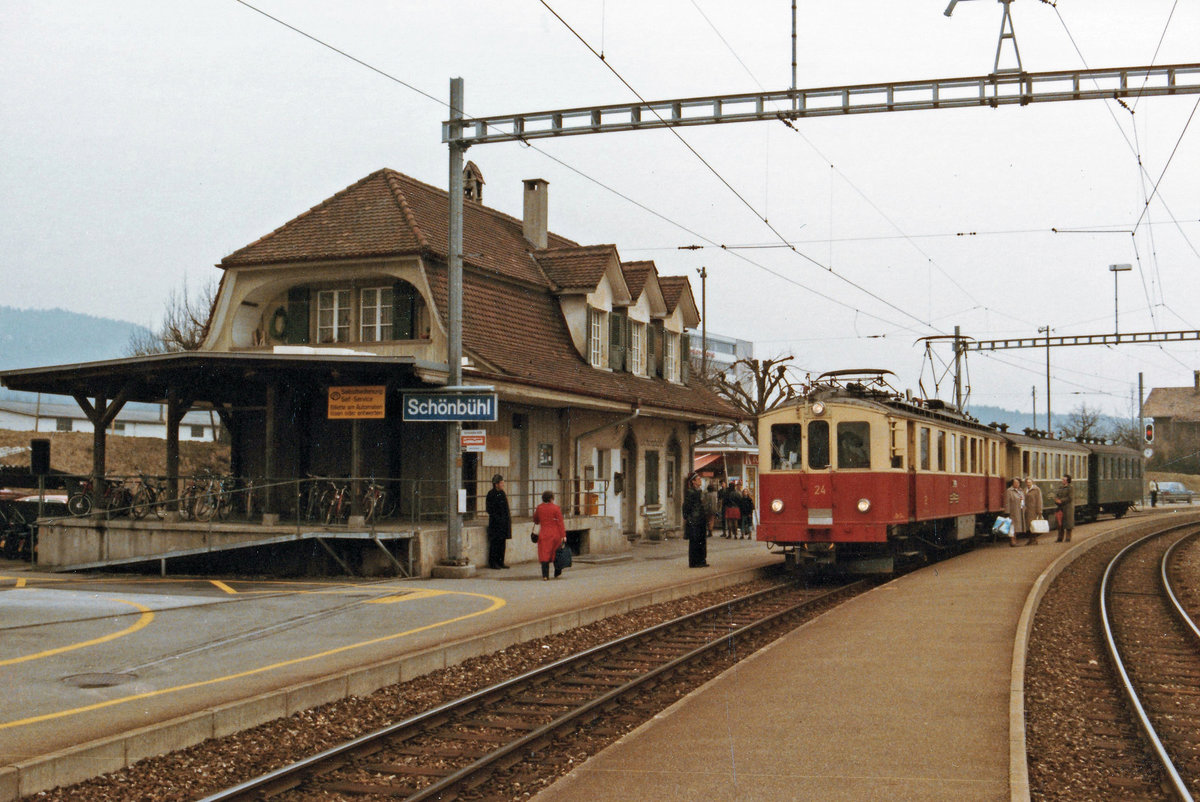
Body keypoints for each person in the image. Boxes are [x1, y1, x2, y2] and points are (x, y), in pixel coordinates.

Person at [533, 490, 567, 579]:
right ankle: (557, 572)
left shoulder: (539, 508)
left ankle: (545, 575)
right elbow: (560, 522)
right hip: (555, 534)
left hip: (544, 533)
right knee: (556, 553)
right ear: (552, 498)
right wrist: (563, 535)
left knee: (544, 554)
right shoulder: (556, 508)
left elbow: (536, 520)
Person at [485, 474, 512, 569]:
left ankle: (501, 561)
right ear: (496, 484)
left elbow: (506, 508)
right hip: (495, 523)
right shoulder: (491, 494)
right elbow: (489, 509)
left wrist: (507, 520)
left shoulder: (502, 493)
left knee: (502, 543)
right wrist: (498, 518)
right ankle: (493, 562)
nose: (503, 484)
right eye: (501, 483)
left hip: (503, 523)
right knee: (495, 543)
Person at [683, 472, 708, 567]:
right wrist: (688, 517)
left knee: (702, 540)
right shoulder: (691, 492)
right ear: (693, 482)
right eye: (698, 479)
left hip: (701, 518)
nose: (700, 481)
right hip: (694, 519)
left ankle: (701, 560)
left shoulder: (699, 491)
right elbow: (686, 506)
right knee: (695, 541)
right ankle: (694, 562)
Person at [1003, 477, 1025, 548]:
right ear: (1012, 484)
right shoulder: (1009, 491)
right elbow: (1007, 502)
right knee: (1012, 527)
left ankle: (1015, 540)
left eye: (1018, 483)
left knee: (1016, 527)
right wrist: (1007, 512)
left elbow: (1023, 500)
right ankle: (1012, 541)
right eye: (1015, 483)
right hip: (1013, 511)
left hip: (1019, 511)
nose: (1017, 484)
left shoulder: (1021, 491)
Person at [1054, 475, 1075, 543]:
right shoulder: (1060, 487)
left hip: (1068, 507)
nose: (1062, 481)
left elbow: (1070, 497)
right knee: (1060, 523)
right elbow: (1056, 494)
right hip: (1060, 507)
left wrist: (1061, 500)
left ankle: (1068, 538)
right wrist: (1056, 499)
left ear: (1067, 481)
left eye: (1064, 480)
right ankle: (1060, 538)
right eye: (1062, 480)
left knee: (1068, 523)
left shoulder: (1070, 488)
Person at [1023, 477, 1044, 546]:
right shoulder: (1025, 490)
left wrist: (1039, 510)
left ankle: (1034, 540)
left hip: (1034, 510)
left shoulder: (1036, 490)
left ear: (1032, 483)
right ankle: (1031, 540)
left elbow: (1039, 500)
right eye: (1027, 482)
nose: (1028, 484)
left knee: (1034, 525)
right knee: (1029, 526)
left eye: (1029, 482)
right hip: (1027, 510)